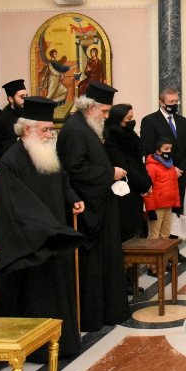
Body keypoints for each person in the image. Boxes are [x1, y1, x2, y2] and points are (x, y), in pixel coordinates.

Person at [0, 96, 85, 360]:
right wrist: (48, 229)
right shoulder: (10, 163)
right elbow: (19, 206)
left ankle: (63, 342)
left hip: (52, 235)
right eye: (45, 130)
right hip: (31, 245)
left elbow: (62, 179)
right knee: (38, 295)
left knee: (58, 288)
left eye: (51, 130)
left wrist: (73, 198)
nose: (50, 135)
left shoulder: (45, 152)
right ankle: (39, 349)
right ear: (26, 130)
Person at [57, 81, 130, 332]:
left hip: (100, 204)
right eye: (105, 112)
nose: (107, 117)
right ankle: (93, 315)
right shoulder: (75, 130)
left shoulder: (85, 126)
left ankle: (108, 311)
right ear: (90, 107)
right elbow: (76, 170)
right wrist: (110, 173)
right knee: (92, 266)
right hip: (88, 209)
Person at [140, 88, 186, 263]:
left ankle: (174, 252)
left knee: (177, 213)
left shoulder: (183, 121)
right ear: (161, 102)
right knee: (161, 219)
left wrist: (180, 169)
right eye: (170, 102)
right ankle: (158, 257)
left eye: (176, 102)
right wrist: (170, 170)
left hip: (179, 176)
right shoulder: (150, 121)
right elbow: (148, 149)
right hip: (161, 179)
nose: (174, 105)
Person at [104, 104, 152, 244]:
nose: (132, 121)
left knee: (136, 228)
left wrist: (147, 182)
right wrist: (144, 184)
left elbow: (138, 162)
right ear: (118, 119)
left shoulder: (129, 135)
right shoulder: (113, 140)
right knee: (127, 232)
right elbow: (126, 168)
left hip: (136, 188)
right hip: (125, 192)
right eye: (128, 118)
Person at [144, 138, 181, 241]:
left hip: (168, 206)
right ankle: (151, 258)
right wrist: (150, 209)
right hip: (156, 208)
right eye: (166, 148)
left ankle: (164, 258)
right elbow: (148, 189)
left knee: (165, 236)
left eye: (170, 149)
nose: (169, 151)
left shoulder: (171, 166)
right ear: (158, 151)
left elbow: (175, 187)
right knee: (154, 237)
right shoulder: (151, 167)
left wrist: (177, 205)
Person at [0, 79, 27, 164]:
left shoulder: (28, 114)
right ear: (11, 99)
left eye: (26, 96)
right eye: (22, 97)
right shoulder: (3, 118)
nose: (25, 100)